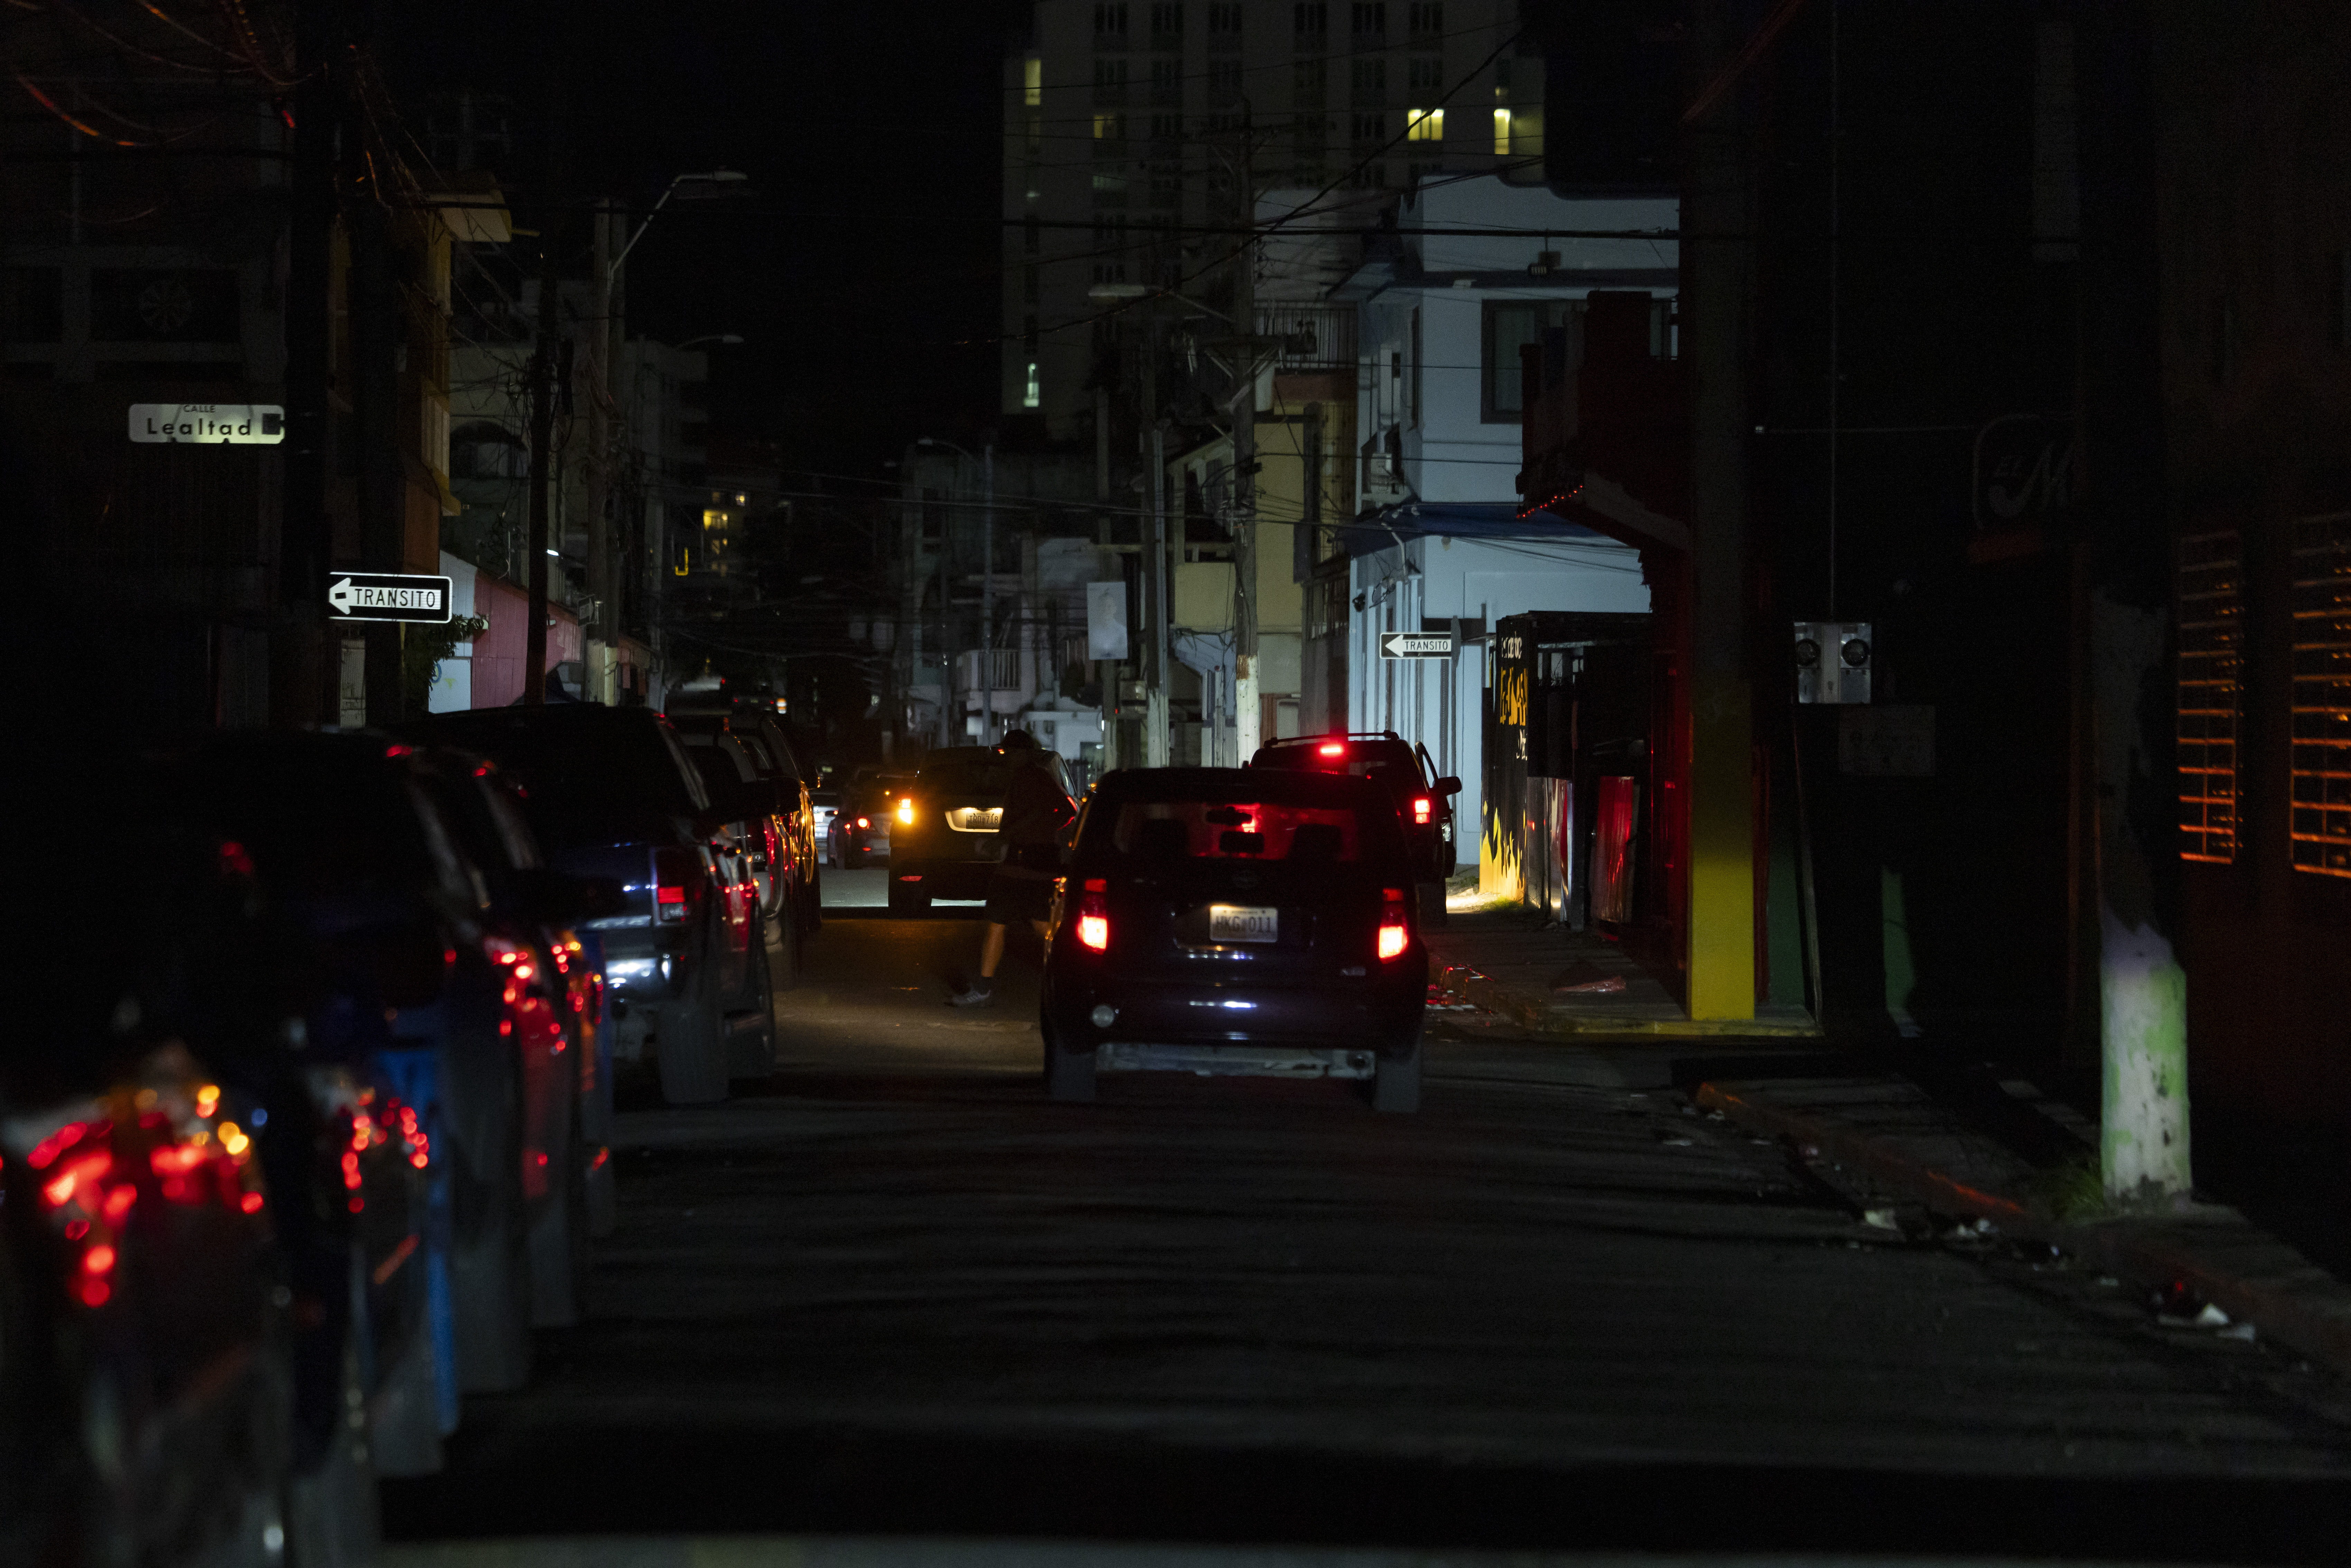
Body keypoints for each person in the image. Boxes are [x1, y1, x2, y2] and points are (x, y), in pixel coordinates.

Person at [948, 729, 1076, 1007]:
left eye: (1007, 753)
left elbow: (1062, 811)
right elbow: (1064, 811)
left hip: (1024, 860)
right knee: (1033, 924)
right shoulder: (1031, 777)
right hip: (1033, 860)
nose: (1004, 758)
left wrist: (1019, 833)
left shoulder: (1031, 777)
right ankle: (1072, 982)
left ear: (1022, 754)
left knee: (1004, 922)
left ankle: (985, 988)